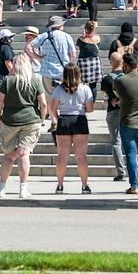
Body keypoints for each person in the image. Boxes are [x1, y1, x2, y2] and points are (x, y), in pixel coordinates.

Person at [0, 50, 47, 199]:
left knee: (9, 156)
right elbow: (43, 103)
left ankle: (1, 187)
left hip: (9, 120)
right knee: (24, 155)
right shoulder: (35, 80)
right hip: (30, 120)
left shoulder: (8, 81)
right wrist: (42, 119)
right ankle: (23, 189)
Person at [51, 63, 94, 194]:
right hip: (80, 119)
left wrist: (58, 119)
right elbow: (90, 108)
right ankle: (85, 185)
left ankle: (59, 185)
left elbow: (52, 108)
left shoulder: (59, 89)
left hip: (64, 119)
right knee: (81, 157)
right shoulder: (85, 89)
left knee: (62, 156)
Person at [35, 16, 76, 91]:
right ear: (60, 26)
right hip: (63, 72)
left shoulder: (44, 36)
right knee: (63, 98)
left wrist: (38, 57)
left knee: (49, 99)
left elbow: (28, 47)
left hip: (47, 72)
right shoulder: (67, 36)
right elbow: (73, 55)